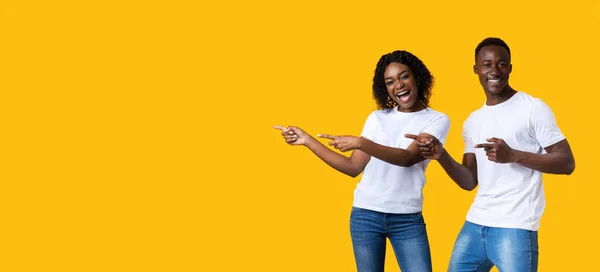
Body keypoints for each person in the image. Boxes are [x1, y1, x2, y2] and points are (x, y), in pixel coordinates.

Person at [274, 50, 450, 272]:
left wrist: (361, 143)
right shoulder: (377, 118)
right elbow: (353, 167)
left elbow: (408, 158)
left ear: (417, 77)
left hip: (407, 219)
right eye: (390, 82)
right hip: (365, 215)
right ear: (384, 88)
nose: (398, 85)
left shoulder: (436, 119)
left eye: (404, 76)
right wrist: (307, 140)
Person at [413, 37, 575, 272]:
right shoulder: (472, 121)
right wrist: (441, 155)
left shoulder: (532, 108)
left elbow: (567, 162)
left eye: (502, 64)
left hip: (515, 226)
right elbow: (469, 181)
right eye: (487, 64)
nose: (495, 71)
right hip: (476, 223)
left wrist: (513, 156)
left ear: (510, 68)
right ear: (476, 69)